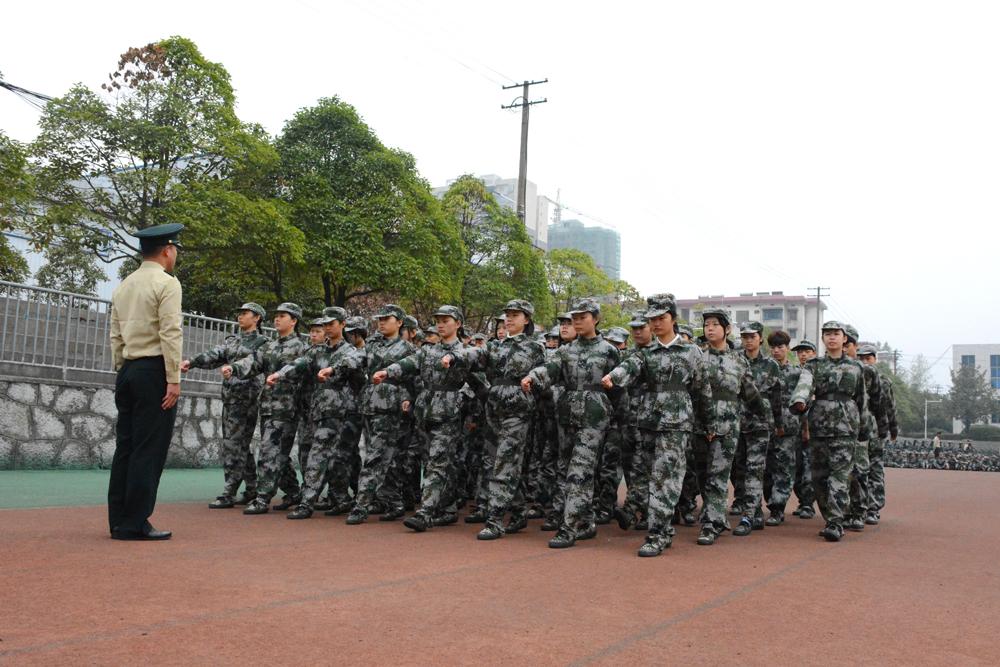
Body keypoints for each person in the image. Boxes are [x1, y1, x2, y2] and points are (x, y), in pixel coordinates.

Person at [603, 294, 716, 557]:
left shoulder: (691, 352)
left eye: (661, 318)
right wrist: (613, 377)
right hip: (648, 422)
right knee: (644, 474)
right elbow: (629, 367)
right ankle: (636, 511)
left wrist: (709, 422)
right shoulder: (646, 353)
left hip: (676, 424)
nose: (655, 323)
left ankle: (659, 534)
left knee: (666, 479)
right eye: (652, 319)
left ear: (673, 319)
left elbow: (702, 390)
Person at [523, 298, 621, 549]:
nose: (577, 321)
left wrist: (617, 419)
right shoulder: (566, 350)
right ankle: (586, 521)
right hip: (567, 415)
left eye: (582, 317)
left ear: (595, 319)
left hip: (594, 418)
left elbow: (619, 389)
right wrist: (533, 376)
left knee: (580, 470)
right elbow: (550, 368)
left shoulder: (608, 351)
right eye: (574, 317)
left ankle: (570, 527)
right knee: (567, 469)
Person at [107, 223, 184, 541]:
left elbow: (115, 333)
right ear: (167, 250)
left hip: (128, 369)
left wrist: (121, 367)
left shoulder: (124, 285)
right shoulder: (167, 283)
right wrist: (173, 379)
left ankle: (119, 520)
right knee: (148, 448)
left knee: (125, 446)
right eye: (175, 249)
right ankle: (136, 521)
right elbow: (171, 332)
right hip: (154, 371)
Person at [376, 306, 472, 532]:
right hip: (426, 412)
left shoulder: (465, 352)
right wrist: (387, 372)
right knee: (434, 462)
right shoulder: (428, 351)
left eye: (446, 320)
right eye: (438, 320)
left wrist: (467, 404)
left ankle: (425, 512)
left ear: (458, 324)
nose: (441, 324)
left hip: (448, 412)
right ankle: (447, 508)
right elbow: (409, 363)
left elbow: (477, 382)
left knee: (438, 462)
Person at [268, 307, 366, 519]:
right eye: (325, 324)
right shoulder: (317, 351)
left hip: (344, 412)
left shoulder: (351, 351)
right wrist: (280, 374)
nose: (327, 328)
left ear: (342, 324)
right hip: (321, 412)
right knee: (328, 458)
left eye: (332, 324)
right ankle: (336, 499)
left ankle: (312, 502)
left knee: (326, 457)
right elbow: (299, 363)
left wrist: (332, 369)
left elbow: (352, 362)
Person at [462, 300, 546, 540]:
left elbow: (544, 375)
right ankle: (518, 511)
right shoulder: (495, 346)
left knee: (504, 463)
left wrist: (531, 385)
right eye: (507, 315)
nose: (509, 319)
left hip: (517, 412)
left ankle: (495, 520)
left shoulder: (534, 347)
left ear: (526, 319)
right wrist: (456, 356)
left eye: (515, 315)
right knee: (497, 461)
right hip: (494, 410)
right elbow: (476, 355)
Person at [688, 309, 767, 546]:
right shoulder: (696, 357)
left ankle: (712, 524)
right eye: (707, 325)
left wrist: (764, 417)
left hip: (727, 426)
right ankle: (715, 513)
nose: (710, 328)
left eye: (715, 324)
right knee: (703, 474)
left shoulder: (739, 360)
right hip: (699, 424)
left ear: (727, 329)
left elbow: (750, 393)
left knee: (718, 475)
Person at [182, 302, 269, 509]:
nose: (240, 316)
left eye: (245, 313)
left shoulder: (262, 343)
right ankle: (252, 488)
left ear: (257, 318)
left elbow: (253, 364)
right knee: (240, 445)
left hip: (247, 399)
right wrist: (191, 362)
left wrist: (234, 368)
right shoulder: (233, 340)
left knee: (233, 445)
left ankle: (229, 492)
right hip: (230, 398)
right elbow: (215, 354)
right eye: (239, 313)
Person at [223, 303, 307, 515]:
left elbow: (302, 372)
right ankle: (294, 492)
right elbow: (253, 362)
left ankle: (262, 497)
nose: (277, 319)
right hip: (268, 406)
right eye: (276, 315)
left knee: (269, 451)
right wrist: (234, 368)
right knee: (280, 455)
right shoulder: (270, 346)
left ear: (294, 321)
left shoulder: (301, 347)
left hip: (287, 408)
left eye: (282, 316)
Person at [789, 321, 868, 542]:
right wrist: (799, 400)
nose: (832, 337)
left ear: (844, 338)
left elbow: (862, 399)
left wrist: (864, 429)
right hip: (819, 425)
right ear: (823, 339)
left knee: (840, 475)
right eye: (827, 334)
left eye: (836, 334)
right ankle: (830, 517)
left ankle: (835, 522)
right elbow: (804, 385)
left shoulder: (856, 367)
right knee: (819, 477)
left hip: (846, 426)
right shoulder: (813, 365)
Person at [346, 304, 417, 525]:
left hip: (391, 408)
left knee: (375, 456)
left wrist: (408, 399)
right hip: (370, 405)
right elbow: (357, 360)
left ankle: (361, 505)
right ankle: (393, 502)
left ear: (399, 322)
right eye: (380, 319)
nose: (382, 322)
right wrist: (336, 366)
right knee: (388, 457)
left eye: (387, 319)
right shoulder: (372, 345)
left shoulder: (407, 349)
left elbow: (414, 379)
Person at [730, 321, 783, 537]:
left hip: (760, 424)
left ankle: (748, 516)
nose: (748, 340)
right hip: (736, 422)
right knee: (740, 470)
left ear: (760, 338)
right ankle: (756, 510)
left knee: (755, 468)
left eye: (752, 336)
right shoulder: (734, 361)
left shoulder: (771, 365)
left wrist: (778, 424)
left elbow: (776, 397)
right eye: (744, 337)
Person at [790, 340, 818, 518]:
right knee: (796, 467)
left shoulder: (818, 373)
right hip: (793, 427)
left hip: (813, 427)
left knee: (809, 467)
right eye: (800, 352)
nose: (803, 355)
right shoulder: (793, 374)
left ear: (814, 353)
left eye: (807, 351)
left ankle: (808, 504)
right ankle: (802, 500)